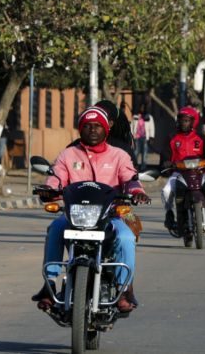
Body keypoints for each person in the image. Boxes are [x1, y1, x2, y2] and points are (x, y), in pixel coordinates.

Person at [31, 106, 151, 313]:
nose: (93, 130)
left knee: (126, 238)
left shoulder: (119, 155)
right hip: (74, 216)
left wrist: (137, 191)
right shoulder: (68, 155)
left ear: (106, 130)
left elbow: (130, 179)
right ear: (80, 129)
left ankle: (125, 290)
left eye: (97, 126)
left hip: (111, 215)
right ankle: (49, 284)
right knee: (55, 229)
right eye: (87, 126)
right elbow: (56, 178)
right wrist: (49, 189)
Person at [161, 107, 205, 235]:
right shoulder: (171, 138)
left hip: (199, 172)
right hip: (178, 173)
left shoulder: (201, 137)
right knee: (166, 191)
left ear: (193, 122)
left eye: (187, 121)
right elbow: (165, 154)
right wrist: (166, 161)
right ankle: (169, 214)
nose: (184, 123)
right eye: (182, 120)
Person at [95, 99, 138, 170]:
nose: (92, 129)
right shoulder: (75, 148)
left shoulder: (123, 149)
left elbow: (132, 175)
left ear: (110, 123)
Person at [132, 103, 154, 168]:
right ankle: (134, 167)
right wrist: (131, 136)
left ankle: (143, 168)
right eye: (141, 107)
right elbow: (132, 126)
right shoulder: (136, 116)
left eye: (143, 107)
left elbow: (152, 127)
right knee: (136, 153)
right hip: (137, 137)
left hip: (145, 138)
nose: (142, 109)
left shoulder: (149, 117)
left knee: (144, 154)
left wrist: (151, 137)